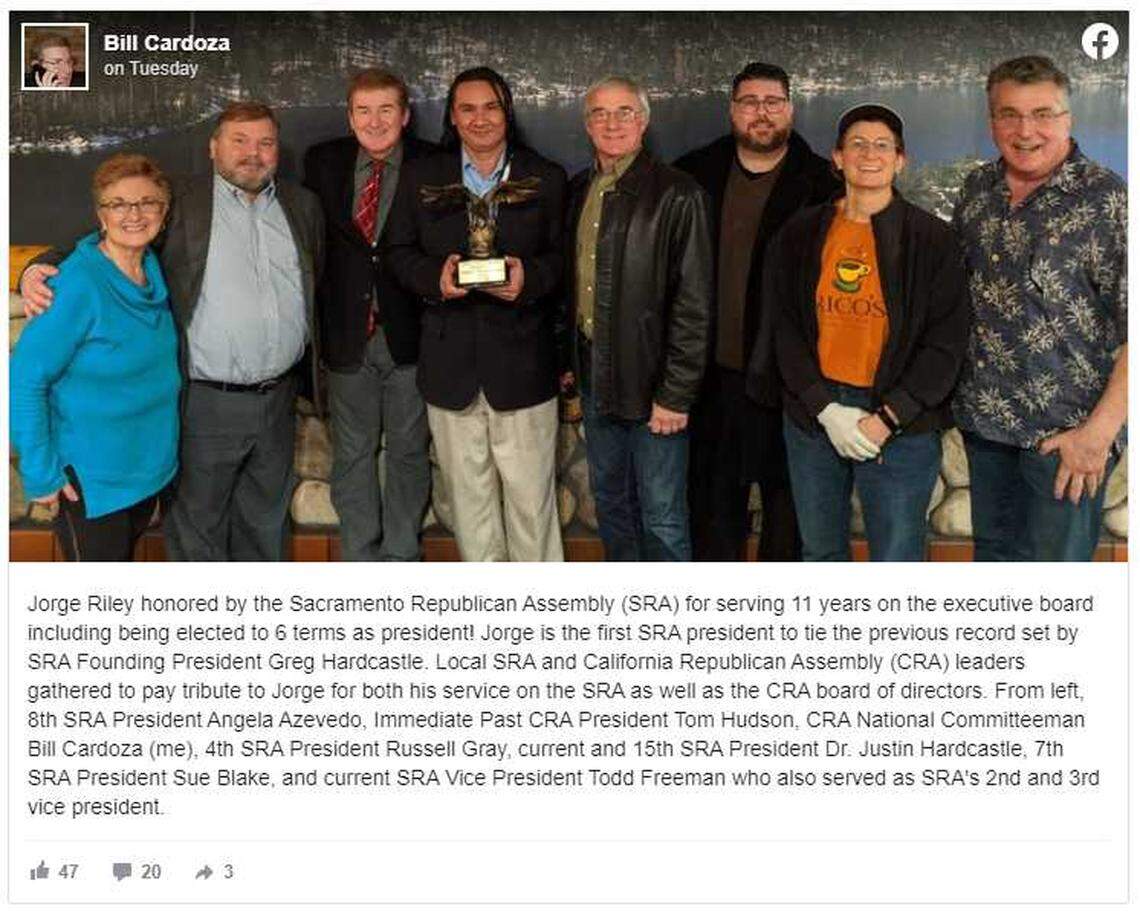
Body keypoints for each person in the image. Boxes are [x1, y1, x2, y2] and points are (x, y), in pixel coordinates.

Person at [19, 102, 324, 561]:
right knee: (199, 533)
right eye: (239, 141)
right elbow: (112, 227)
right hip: (206, 403)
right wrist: (38, 266)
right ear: (213, 148)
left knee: (266, 528)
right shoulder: (180, 200)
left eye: (265, 142)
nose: (252, 153)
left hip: (279, 402)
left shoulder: (303, 206)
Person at [770, 104, 968, 561]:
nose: (869, 154)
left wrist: (887, 418)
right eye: (857, 144)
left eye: (883, 145)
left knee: (896, 559)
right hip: (814, 420)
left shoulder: (932, 240)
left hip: (900, 426)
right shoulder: (801, 232)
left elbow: (945, 345)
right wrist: (825, 409)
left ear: (901, 160)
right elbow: (783, 330)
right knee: (819, 553)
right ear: (837, 157)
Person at [386, 67, 566, 561]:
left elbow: (561, 261)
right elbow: (400, 251)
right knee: (469, 511)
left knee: (533, 509)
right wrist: (434, 281)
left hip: (525, 369)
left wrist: (529, 279)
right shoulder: (423, 178)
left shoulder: (545, 177)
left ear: (507, 111)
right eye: (468, 108)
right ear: (452, 116)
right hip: (450, 370)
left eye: (490, 107)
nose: (480, 119)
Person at [953, 56, 1127, 561]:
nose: (1026, 130)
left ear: (1068, 119)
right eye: (1009, 114)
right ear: (992, 122)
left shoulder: (1107, 200)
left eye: (1043, 113)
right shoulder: (976, 192)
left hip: (1067, 442)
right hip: (986, 431)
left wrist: (1097, 437)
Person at [676, 61, 839, 561]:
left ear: (789, 109)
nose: (761, 113)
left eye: (772, 102)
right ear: (732, 110)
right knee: (711, 511)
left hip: (789, 380)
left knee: (788, 514)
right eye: (750, 103)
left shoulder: (823, 185)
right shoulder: (693, 174)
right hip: (713, 379)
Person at [565, 76, 713, 561]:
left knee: (663, 518)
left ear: (644, 121)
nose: (612, 123)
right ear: (587, 125)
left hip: (655, 389)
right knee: (612, 505)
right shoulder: (578, 190)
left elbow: (694, 305)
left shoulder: (678, 194)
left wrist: (675, 393)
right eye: (600, 114)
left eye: (624, 112)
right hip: (594, 378)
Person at [11, 154, 177, 560]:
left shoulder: (153, 268)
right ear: (100, 214)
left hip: (146, 476)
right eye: (118, 204)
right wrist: (40, 473)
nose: (134, 214)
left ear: (164, 211)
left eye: (147, 202)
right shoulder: (77, 284)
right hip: (92, 484)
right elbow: (24, 379)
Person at [303, 69, 434, 561]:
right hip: (346, 337)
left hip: (412, 337)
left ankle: (401, 558)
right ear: (350, 116)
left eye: (386, 110)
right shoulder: (323, 163)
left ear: (404, 115)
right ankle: (362, 560)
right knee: (352, 458)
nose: (374, 121)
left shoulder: (433, 164)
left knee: (407, 454)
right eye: (364, 110)